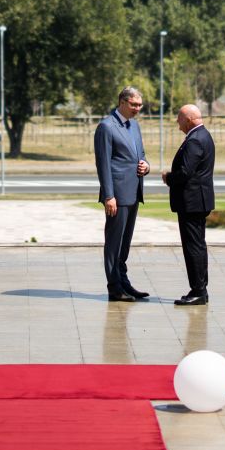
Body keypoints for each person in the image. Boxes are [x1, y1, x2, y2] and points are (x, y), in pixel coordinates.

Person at [94, 86, 151, 302]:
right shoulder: (106, 127)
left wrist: (146, 166)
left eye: (139, 105)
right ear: (122, 102)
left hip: (134, 192)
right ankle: (114, 288)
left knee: (125, 244)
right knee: (114, 243)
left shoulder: (134, 126)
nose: (138, 108)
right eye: (134, 104)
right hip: (116, 196)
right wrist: (109, 196)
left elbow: (141, 154)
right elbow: (103, 164)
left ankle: (125, 283)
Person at [162, 103, 215, 306]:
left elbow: (185, 172)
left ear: (189, 119)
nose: (178, 124)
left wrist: (168, 178)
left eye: (180, 120)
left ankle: (198, 290)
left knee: (193, 246)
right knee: (197, 245)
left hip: (192, 202)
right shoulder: (203, 135)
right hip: (197, 201)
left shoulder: (195, 140)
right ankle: (200, 288)